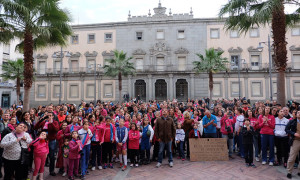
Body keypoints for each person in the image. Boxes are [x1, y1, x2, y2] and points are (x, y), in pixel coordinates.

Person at [286, 110, 300, 179]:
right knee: (292, 157)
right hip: (295, 141)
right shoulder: (292, 121)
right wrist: (294, 133)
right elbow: (286, 129)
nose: (299, 114)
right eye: (298, 112)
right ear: (296, 114)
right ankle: (289, 172)